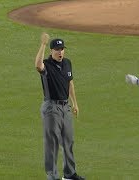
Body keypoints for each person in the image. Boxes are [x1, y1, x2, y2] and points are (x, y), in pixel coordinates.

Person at [35, 32, 85, 180]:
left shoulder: (67, 63)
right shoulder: (47, 65)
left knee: (68, 141)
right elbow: (38, 65)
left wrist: (75, 103)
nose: (60, 52)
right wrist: (43, 44)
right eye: (57, 49)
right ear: (52, 51)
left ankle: (69, 173)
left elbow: (70, 83)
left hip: (65, 107)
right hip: (51, 108)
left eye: (62, 49)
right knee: (53, 143)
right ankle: (52, 176)